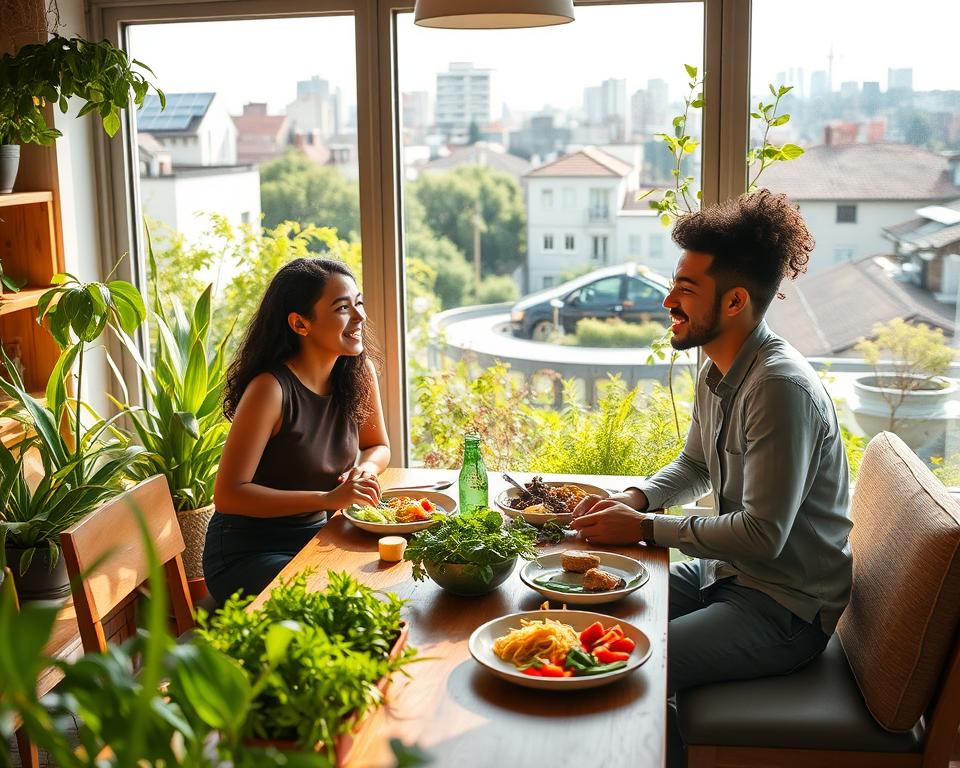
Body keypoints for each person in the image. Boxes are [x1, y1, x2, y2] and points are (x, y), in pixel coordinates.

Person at [571, 190, 851, 701]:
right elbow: (696, 464)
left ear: (735, 301)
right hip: (724, 576)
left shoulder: (779, 388)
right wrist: (636, 499)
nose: (667, 302)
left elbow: (763, 535)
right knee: (579, 616)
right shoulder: (717, 368)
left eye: (685, 289)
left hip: (785, 609)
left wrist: (644, 528)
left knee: (618, 661)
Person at [203, 257, 390, 605]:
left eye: (358, 303)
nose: (360, 317)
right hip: (249, 553)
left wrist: (363, 471)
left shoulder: (358, 372)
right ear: (300, 323)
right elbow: (228, 495)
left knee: (390, 578)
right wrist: (328, 499)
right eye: (343, 308)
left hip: (316, 536)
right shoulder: (270, 389)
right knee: (347, 604)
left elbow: (377, 445)